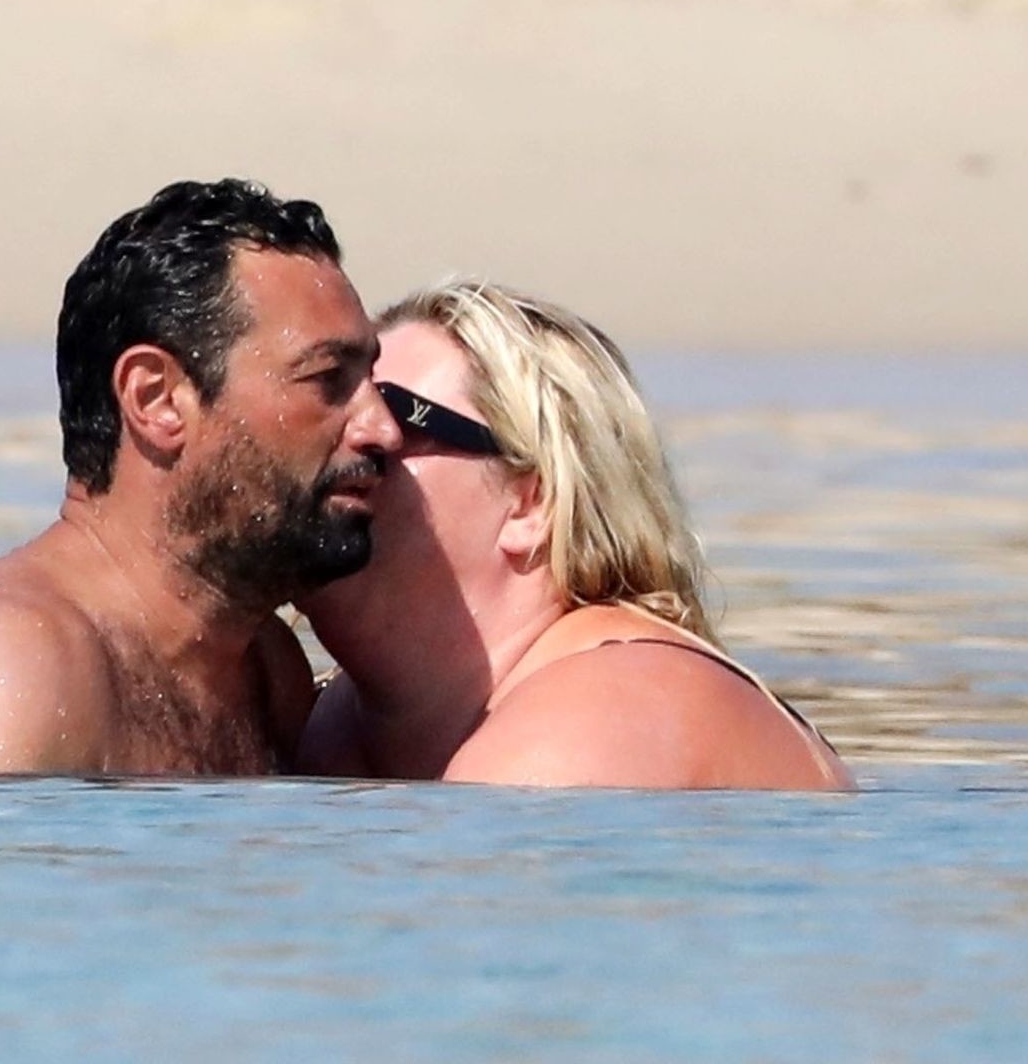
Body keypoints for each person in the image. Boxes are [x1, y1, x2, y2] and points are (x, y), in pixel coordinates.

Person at [0, 179, 401, 776]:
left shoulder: (265, 669)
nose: (383, 429)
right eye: (327, 379)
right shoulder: (10, 670)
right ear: (156, 399)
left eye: (372, 383)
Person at [294, 281, 853, 791]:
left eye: (397, 415)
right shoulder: (326, 719)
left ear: (530, 504)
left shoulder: (605, 711)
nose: (350, 441)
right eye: (330, 404)